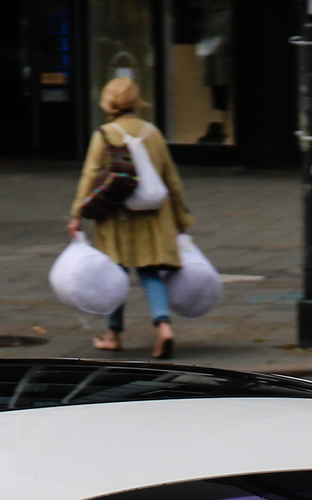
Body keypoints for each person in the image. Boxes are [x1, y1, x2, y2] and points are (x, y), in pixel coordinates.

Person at [67, 77, 195, 360]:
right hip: (153, 218)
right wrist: (182, 217)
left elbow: (89, 177)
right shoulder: (153, 133)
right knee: (150, 274)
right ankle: (163, 326)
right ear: (136, 100)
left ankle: (113, 334)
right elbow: (172, 180)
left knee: (115, 276)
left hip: (117, 218)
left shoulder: (104, 134)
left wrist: (77, 214)